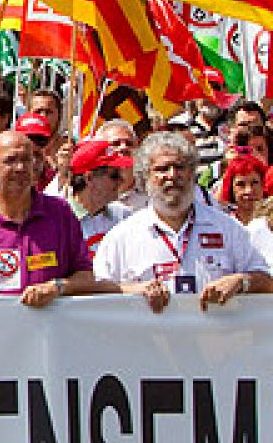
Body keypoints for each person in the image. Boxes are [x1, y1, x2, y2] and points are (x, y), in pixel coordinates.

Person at [95, 132, 273, 312]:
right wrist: (132, 290)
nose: (172, 175)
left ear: (192, 173)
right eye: (162, 169)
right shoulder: (121, 237)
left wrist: (241, 281)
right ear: (145, 177)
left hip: (215, 337)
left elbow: (267, 281)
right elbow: (97, 294)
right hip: (148, 339)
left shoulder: (227, 228)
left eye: (179, 167)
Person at [0, 131, 96, 306]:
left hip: (50, 331)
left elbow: (85, 277)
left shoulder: (60, 213)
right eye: (10, 160)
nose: (20, 168)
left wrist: (57, 287)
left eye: (26, 160)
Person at [67, 140, 133, 260]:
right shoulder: (60, 220)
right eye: (114, 176)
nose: (122, 181)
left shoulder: (125, 215)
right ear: (89, 178)